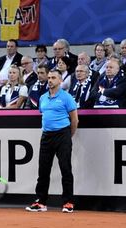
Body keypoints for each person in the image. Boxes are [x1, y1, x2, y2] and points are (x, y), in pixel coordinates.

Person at [26, 69, 78, 213]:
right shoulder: (43, 98)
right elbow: (44, 115)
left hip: (63, 135)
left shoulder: (67, 97)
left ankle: (68, 202)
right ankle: (41, 202)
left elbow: (75, 119)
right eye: (48, 77)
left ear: (60, 80)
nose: (50, 80)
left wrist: (68, 135)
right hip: (46, 136)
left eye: (53, 77)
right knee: (43, 170)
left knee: (65, 169)